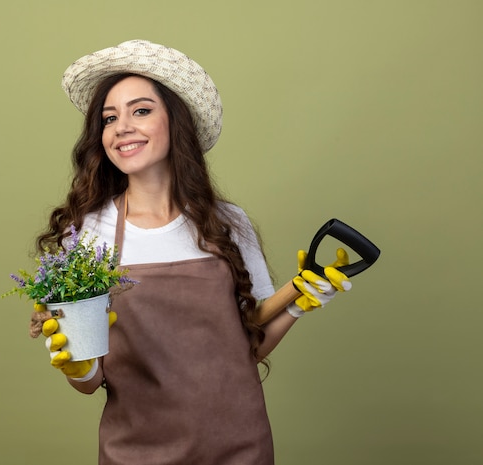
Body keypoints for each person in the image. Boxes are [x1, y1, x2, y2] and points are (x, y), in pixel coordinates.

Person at [31, 39, 352, 465]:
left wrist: (297, 304)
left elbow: (246, 347)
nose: (122, 126)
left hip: (239, 443)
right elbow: (91, 380)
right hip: (137, 450)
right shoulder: (90, 233)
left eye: (141, 110)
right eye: (110, 118)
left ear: (175, 123)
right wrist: (78, 366)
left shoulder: (227, 223)